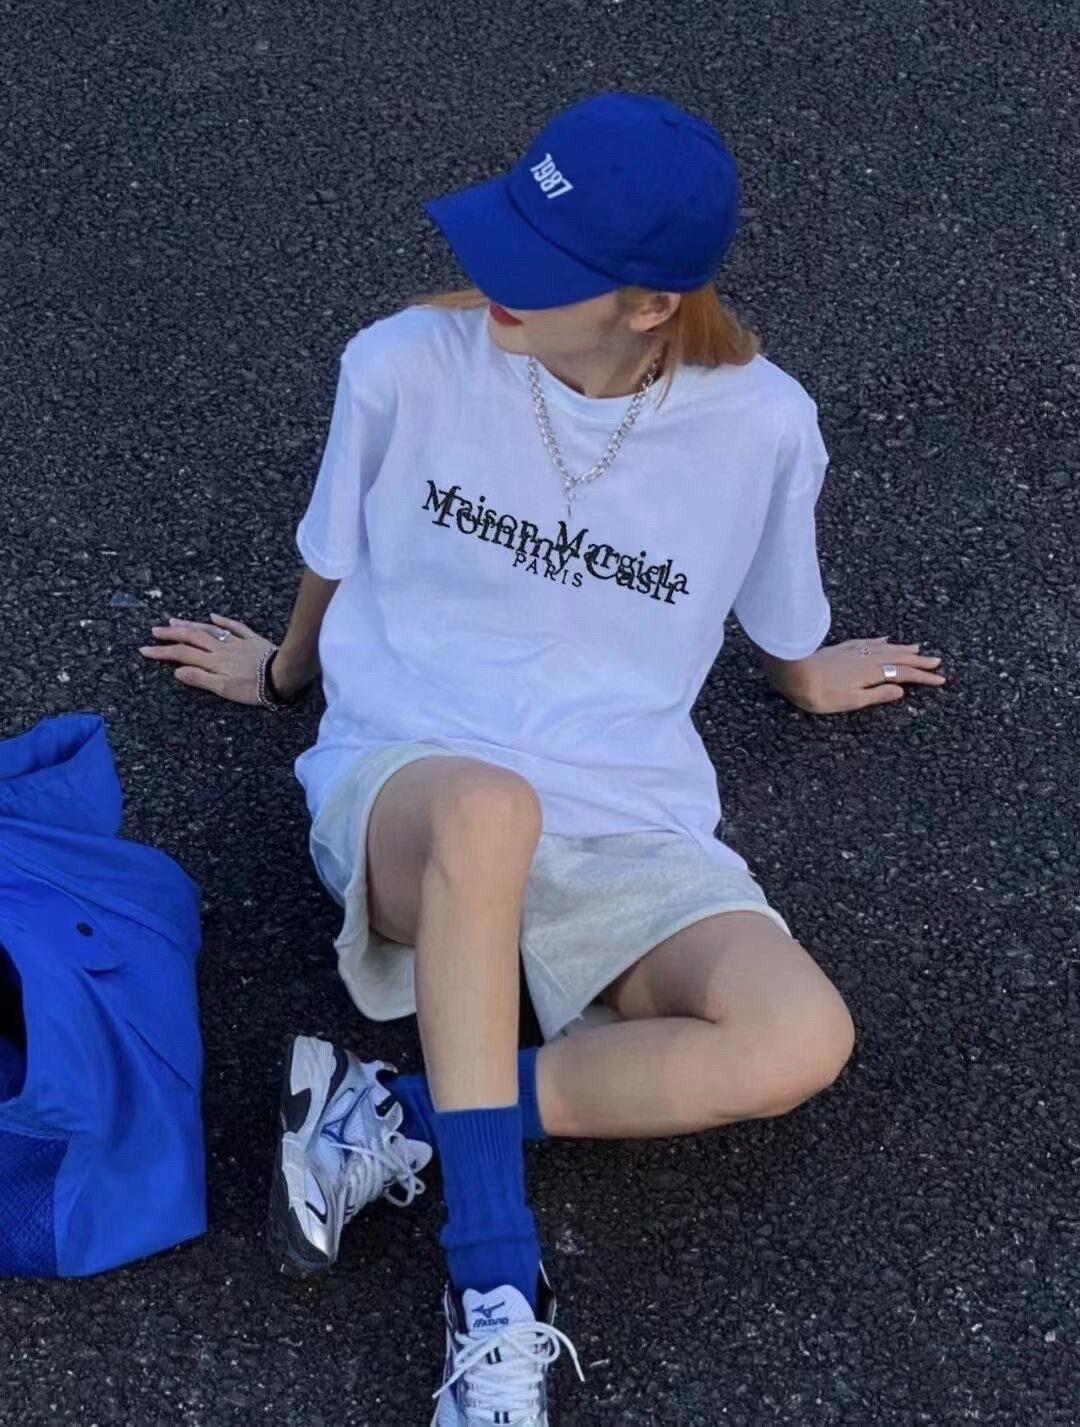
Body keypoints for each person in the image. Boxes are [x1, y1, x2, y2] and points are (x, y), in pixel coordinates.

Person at [140, 91, 946, 1426]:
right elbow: (332, 552)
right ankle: (493, 1280)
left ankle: (390, 1113)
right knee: (491, 811)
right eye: (508, 227)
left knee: (800, 1039)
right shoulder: (405, 363)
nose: (492, 273)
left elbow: (777, 606)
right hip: (416, 791)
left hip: (623, 815)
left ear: (649, 304)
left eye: (543, 263)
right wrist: (282, 674)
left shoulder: (762, 423)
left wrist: (805, 673)